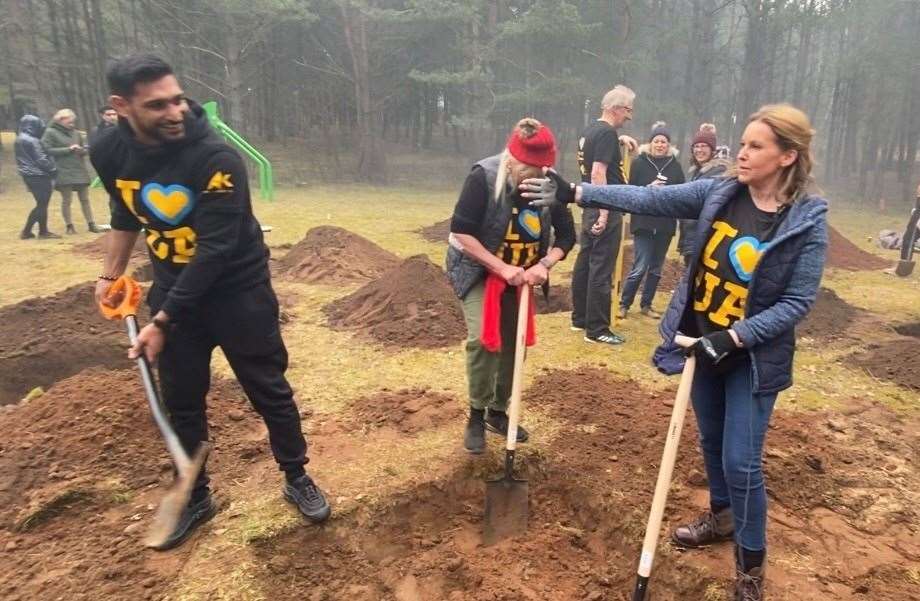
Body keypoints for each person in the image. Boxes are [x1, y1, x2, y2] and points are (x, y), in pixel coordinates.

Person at [522, 104, 827, 601]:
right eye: (743, 143)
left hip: (749, 356)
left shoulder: (805, 222)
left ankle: (750, 568)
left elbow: (798, 301)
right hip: (698, 340)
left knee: (741, 460)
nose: (742, 154)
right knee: (710, 442)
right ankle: (723, 517)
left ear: (787, 156)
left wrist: (733, 337)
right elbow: (648, 198)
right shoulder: (719, 192)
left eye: (755, 147)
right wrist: (577, 192)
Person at [91, 54, 330, 550]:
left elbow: (216, 250)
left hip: (238, 293)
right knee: (181, 400)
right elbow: (124, 209)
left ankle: (296, 475)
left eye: (178, 98)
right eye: (157, 105)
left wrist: (161, 319)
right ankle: (196, 496)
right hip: (174, 293)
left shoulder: (215, 158)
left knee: (269, 390)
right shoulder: (109, 151)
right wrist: (110, 273)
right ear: (121, 106)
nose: (175, 111)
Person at [447, 117, 575, 454]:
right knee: (482, 339)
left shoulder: (550, 184)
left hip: (522, 277)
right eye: (530, 169)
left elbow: (567, 236)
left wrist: (545, 265)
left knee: (514, 345)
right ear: (512, 159)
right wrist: (501, 267)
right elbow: (461, 231)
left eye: (543, 169)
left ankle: (498, 413)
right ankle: (475, 414)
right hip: (478, 272)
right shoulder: (484, 177)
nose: (537, 176)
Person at [571, 85, 637, 345]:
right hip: (602, 206)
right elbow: (599, 173)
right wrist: (604, 213)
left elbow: (594, 160)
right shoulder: (606, 134)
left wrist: (619, 139)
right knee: (602, 267)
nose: (629, 117)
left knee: (586, 261)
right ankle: (597, 329)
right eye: (628, 111)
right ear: (615, 108)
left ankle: (580, 318)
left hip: (588, 203)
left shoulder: (590, 131)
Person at [617, 121, 685, 319]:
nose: (660, 145)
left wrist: (668, 192)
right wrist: (648, 187)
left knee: (656, 268)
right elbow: (631, 191)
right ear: (650, 143)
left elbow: (682, 193)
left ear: (669, 145)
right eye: (657, 141)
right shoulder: (639, 163)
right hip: (644, 224)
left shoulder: (675, 167)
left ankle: (646, 304)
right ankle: (624, 304)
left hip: (665, 225)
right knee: (640, 266)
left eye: (664, 142)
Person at [678, 123, 731, 266]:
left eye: (704, 146)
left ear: (713, 150)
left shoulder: (717, 173)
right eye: (696, 146)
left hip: (704, 239)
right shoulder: (697, 172)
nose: (699, 150)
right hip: (692, 238)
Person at [42, 108, 100, 234]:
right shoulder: (50, 132)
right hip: (63, 170)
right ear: (60, 120)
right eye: (69, 122)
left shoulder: (76, 133)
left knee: (85, 199)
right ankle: (69, 226)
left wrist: (83, 150)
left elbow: (84, 150)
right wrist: (68, 149)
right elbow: (47, 149)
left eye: (73, 122)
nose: (72, 125)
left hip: (79, 169)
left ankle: (91, 223)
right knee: (67, 199)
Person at [15, 115, 60, 239]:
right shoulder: (31, 140)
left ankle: (41, 231)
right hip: (38, 175)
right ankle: (30, 231)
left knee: (42, 204)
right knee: (42, 204)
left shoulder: (20, 138)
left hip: (29, 174)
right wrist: (53, 169)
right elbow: (40, 159)